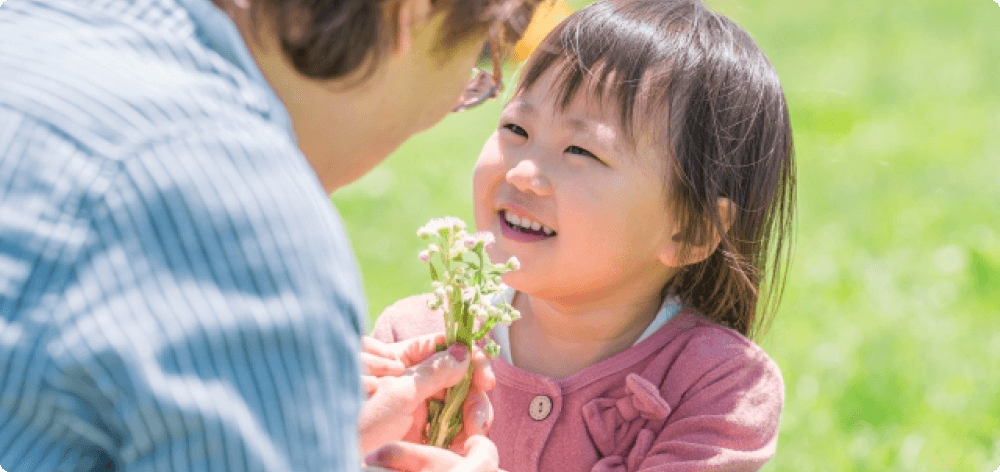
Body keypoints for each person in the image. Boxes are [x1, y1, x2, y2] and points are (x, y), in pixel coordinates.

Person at [0, 0, 539, 469]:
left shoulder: (33, 29)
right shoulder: (242, 217)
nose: (451, 106)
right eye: (474, 70)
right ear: (412, 14)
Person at [371, 0, 796, 470]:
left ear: (690, 231)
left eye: (580, 150)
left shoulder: (718, 384)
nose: (524, 172)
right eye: (515, 127)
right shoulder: (413, 344)